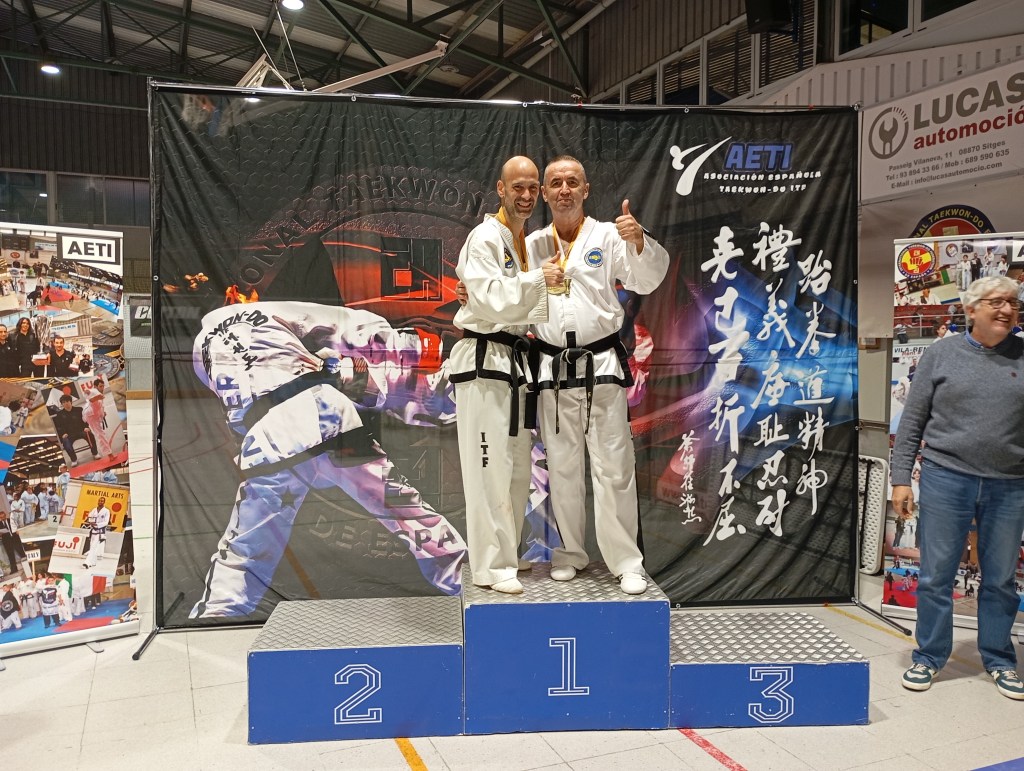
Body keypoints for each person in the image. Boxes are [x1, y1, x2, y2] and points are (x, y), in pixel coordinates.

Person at [188, 301, 468, 618]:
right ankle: (462, 579)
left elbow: (240, 408)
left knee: (247, 543)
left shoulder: (201, 354)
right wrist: (414, 346)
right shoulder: (260, 313)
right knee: (404, 510)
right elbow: (345, 324)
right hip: (326, 417)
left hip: (269, 443)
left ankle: (219, 610)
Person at [525, 155, 669, 594]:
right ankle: (569, 553)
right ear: (544, 193)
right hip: (552, 367)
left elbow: (645, 280)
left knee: (614, 467)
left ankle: (626, 561)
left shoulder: (608, 235)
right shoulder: (532, 244)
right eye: (555, 183)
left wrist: (639, 241)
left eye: (573, 182)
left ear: (586, 190)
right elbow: (512, 297)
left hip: (601, 364)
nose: (564, 189)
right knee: (562, 468)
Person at [892, 276, 1024, 701]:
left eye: (1013, 302)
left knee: (1000, 580)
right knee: (936, 576)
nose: (1007, 309)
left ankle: (999, 659)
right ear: (971, 310)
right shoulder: (940, 354)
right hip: (946, 477)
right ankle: (929, 656)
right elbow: (912, 421)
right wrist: (900, 479)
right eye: (996, 302)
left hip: (1010, 484)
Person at [451, 155, 562, 595]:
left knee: (515, 469)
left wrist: (539, 282)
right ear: (500, 189)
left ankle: (507, 555)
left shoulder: (519, 242)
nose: (526, 195)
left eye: (533, 187)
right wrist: (538, 281)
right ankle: (489, 566)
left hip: (513, 363)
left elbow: (507, 299)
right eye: (518, 187)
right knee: (488, 468)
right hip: (484, 360)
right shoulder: (485, 237)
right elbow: (487, 298)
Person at [51, 394, 97, 464]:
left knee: (90, 435)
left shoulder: (79, 410)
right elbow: (59, 426)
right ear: (62, 404)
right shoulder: (60, 414)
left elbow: (85, 420)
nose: (66, 403)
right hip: (69, 434)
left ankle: (95, 453)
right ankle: (74, 459)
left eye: (67, 401)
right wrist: (63, 433)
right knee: (65, 442)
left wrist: (86, 427)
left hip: (81, 431)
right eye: (63, 402)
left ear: (71, 401)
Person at [84, 496, 111, 569]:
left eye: (102, 501)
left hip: (100, 531)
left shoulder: (106, 511)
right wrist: (91, 522)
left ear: (104, 502)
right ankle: (93, 562)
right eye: (99, 500)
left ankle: (87, 562)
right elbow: (89, 517)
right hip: (93, 531)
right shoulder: (94, 510)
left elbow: (106, 522)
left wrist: (97, 525)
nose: (100, 502)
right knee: (93, 547)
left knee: (93, 547)